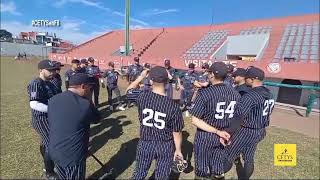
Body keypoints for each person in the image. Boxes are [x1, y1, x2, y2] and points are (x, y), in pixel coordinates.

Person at [127, 66, 184, 180]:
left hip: (145, 142)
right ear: (167, 82)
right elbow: (177, 132)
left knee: (139, 173)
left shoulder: (142, 96)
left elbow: (128, 91)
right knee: (162, 176)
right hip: (165, 144)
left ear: (151, 81)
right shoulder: (173, 106)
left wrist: (141, 77)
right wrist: (178, 150)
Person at [189, 62, 241, 179]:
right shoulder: (236, 94)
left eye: (209, 73)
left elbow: (195, 120)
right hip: (224, 135)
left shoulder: (205, 93)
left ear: (212, 74)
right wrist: (228, 134)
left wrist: (217, 132)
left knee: (201, 169)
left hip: (205, 136)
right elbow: (238, 118)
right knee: (217, 168)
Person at [223, 66, 275, 180]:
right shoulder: (269, 93)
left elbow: (238, 117)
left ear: (252, 79)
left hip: (247, 131)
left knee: (228, 155)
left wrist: (226, 132)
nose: (245, 79)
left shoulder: (250, 96)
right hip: (260, 131)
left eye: (247, 77)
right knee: (249, 157)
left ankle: (216, 175)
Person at [48, 73, 101, 180]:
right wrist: (89, 99)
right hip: (72, 155)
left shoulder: (53, 99)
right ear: (83, 86)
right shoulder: (84, 104)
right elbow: (97, 118)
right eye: (89, 87)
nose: (90, 90)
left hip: (54, 150)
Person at [27, 59, 60, 179]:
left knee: (46, 142)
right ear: (41, 70)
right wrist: (53, 110)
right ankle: (49, 172)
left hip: (51, 117)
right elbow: (34, 104)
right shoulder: (35, 83)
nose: (53, 72)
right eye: (49, 70)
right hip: (41, 119)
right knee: (51, 143)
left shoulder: (51, 83)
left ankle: (47, 164)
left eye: (53, 70)